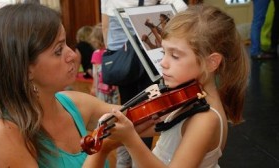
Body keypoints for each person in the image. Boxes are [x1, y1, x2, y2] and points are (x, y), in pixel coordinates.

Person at [102, 4, 250, 168]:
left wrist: (130, 140)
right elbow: (166, 131)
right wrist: (128, 128)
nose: (163, 63)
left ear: (211, 62)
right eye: (163, 52)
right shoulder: (188, 99)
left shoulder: (206, 119)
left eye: (175, 56)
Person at [0, 3, 125, 167]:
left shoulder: (72, 102)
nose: (71, 55)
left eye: (66, 44)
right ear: (26, 69)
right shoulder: (1, 133)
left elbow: (137, 118)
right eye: (58, 50)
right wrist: (102, 151)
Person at [101, 0, 187, 167]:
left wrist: (114, 53)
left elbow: (106, 25)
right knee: (148, 110)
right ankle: (139, 160)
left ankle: (123, 161)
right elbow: (180, 7)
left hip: (121, 46)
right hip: (145, 42)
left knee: (127, 110)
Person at [90, 23, 119, 104]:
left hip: (101, 87)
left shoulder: (96, 53)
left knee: (102, 106)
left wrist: (94, 87)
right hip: (114, 85)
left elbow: (96, 73)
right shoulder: (112, 52)